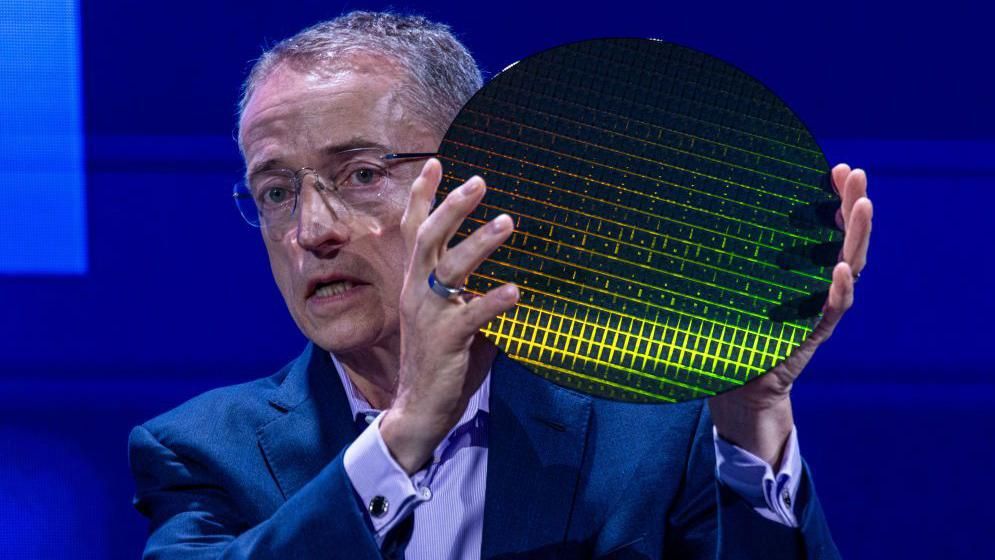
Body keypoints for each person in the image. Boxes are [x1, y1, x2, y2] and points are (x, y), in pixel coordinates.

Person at [129, 11, 872, 559]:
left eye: (360, 174)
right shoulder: (200, 451)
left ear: (478, 183)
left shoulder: (650, 430)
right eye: (275, 191)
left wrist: (752, 417)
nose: (311, 229)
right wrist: (403, 434)